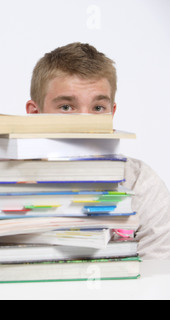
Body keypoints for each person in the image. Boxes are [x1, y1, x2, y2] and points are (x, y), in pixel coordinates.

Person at [26, 42, 170, 259]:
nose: (85, 124)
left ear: (111, 113)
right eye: (66, 107)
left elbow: (158, 273)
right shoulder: (1, 183)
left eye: (97, 108)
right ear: (35, 114)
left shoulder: (140, 182)